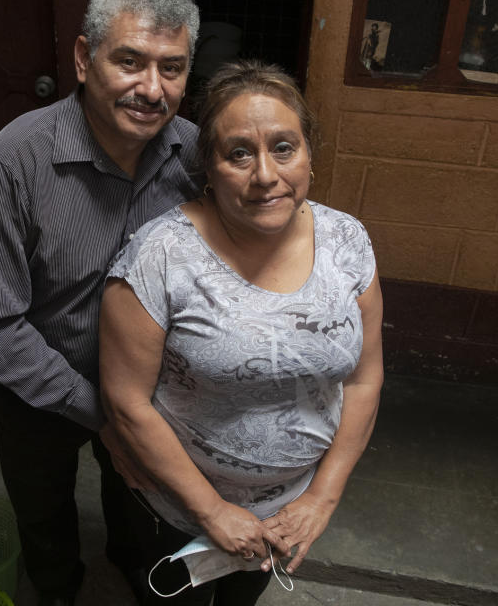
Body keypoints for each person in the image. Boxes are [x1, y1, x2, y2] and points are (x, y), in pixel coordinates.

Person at [99, 61, 384, 605]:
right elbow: (126, 401)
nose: (266, 176)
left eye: (284, 147)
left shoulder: (347, 241)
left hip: (287, 511)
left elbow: (365, 378)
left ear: (308, 156)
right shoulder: (159, 257)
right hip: (178, 508)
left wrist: (321, 498)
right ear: (208, 166)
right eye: (238, 154)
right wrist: (212, 511)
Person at [0, 0, 200, 606]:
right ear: (82, 58)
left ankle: (128, 562)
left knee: (139, 501)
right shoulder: (14, 163)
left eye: (171, 68)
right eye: (129, 61)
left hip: (150, 392)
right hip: (38, 388)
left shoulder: (196, 156)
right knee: (43, 513)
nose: (152, 89)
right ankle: (59, 589)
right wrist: (100, 410)